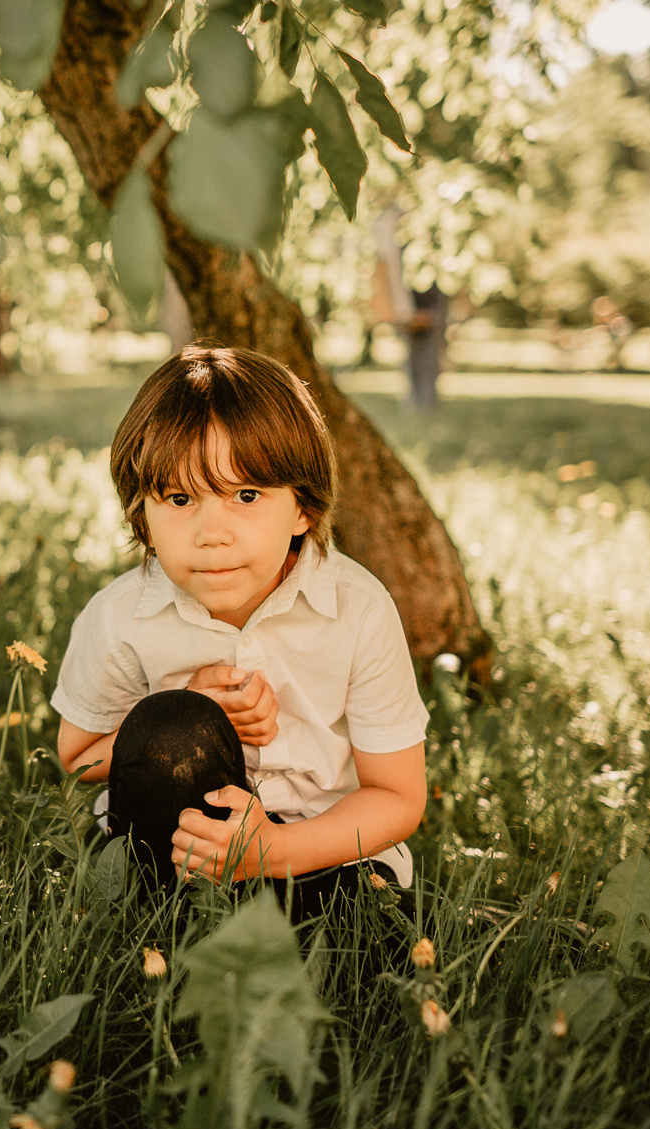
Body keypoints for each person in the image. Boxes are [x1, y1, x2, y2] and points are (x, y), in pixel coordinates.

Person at [52, 345, 427, 923]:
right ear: (143, 517)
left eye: (246, 495)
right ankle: (162, 919)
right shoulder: (119, 617)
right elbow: (79, 761)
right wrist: (183, 707)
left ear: (301, 508)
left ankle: (264, 925)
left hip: (322, 852)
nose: (212, 533)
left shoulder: (358, 609)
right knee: (169, 725)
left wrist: (274, 853)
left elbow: (397, 796)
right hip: (171, 846)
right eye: (180, 499)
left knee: (359, 941)